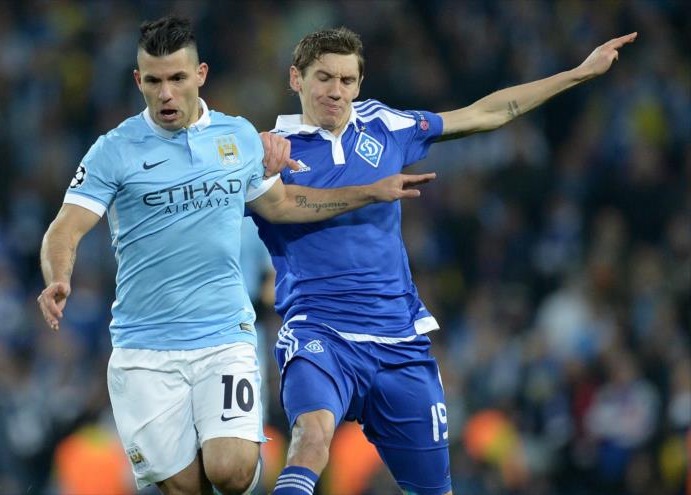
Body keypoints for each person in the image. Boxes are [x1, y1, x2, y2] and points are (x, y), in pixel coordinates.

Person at [36, 17, 436, 495]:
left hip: (224, 335)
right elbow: (65, 227)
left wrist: (368, 192)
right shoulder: (113, 151)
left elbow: (285, 204)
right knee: (184, 486)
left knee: (233, 468)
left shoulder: (239, 138)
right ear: (138, 80)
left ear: (199, 75)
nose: (167, 94)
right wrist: (58, 277)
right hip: (145, 346)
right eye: (155, 81)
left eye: (178, 79)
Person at [254, 27, 637, 495]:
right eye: (323, 78)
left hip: (399, 342)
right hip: (320, 332)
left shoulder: (385, 125)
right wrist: (369, 193)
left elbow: (484, 112)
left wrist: (577, 74)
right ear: (296, 78)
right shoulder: (268, 151)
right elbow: (283, 204)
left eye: (347, 80)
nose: (336, 92)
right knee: (310, 439)